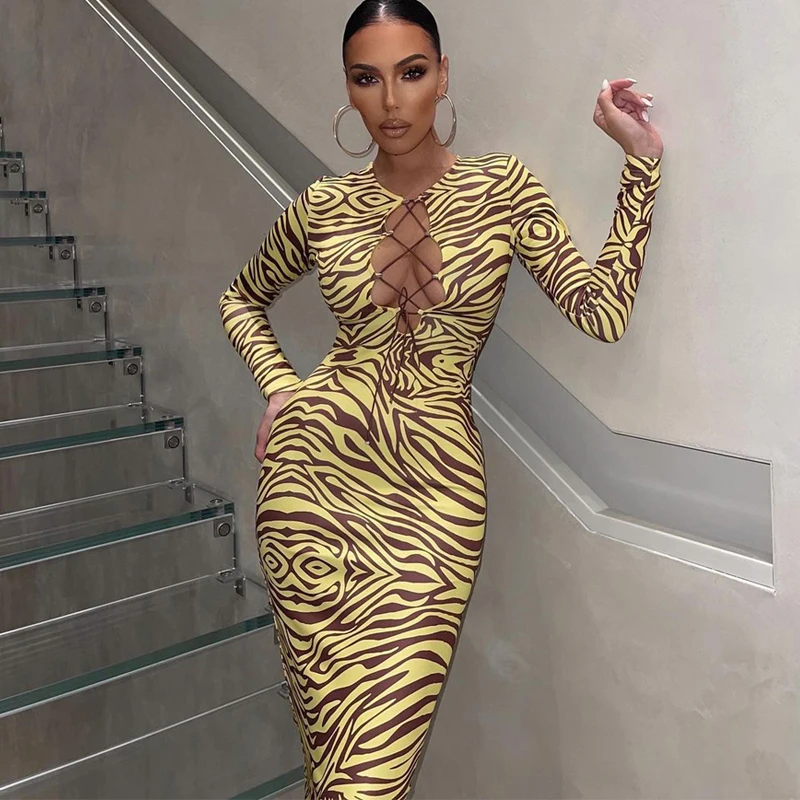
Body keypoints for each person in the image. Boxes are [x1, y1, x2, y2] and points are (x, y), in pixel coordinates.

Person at [219, 0, 664, 796]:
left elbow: (602, 312)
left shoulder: (502, 189)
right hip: (310, 490)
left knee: (368, 777)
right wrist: (282, 387)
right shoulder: (323, 206)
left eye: (412, 72)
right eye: (368, 79)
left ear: (443, 75)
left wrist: (641, 163)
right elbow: (240, 298)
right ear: (348, 90)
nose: (392, 101)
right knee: (333, 764)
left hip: (434, 503)